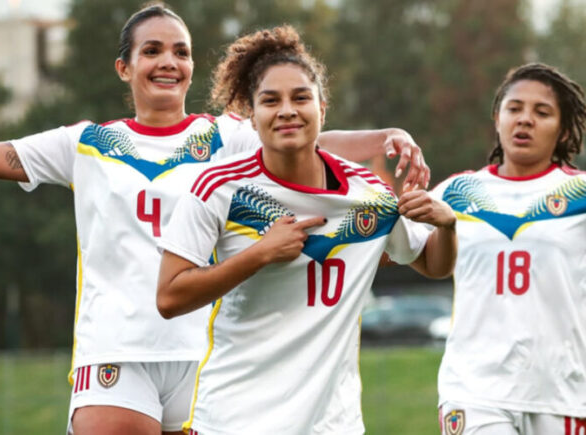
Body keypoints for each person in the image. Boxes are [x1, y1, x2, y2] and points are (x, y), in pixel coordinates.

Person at [0, 3, 430, 434]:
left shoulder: (225, 135)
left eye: (181, 51)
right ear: (125, 67)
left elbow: (305, 135)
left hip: (203, 360)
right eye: (152, 51)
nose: (168, 61)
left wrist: (387, 137)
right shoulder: (87, 143)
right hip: (117, 352)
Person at [156, 25, 457, 434]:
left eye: (300, 97)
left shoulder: (368, 193)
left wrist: (448, 226)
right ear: (253, 115)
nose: (286, 110)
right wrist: (259, 254)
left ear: (322, 107)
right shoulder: (218, 188)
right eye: (270, 100)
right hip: (234, 418)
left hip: (333, 423)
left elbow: (432, 264)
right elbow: (169, 297)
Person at [432, 63, 586, 435]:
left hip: (560, 392)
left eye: (542, 112)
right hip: (473, 392)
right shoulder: (456, 192)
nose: (525, 120)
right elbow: (404, 254)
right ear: (497, 118)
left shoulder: (580, 193)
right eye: (514, 108)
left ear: (563, 130)